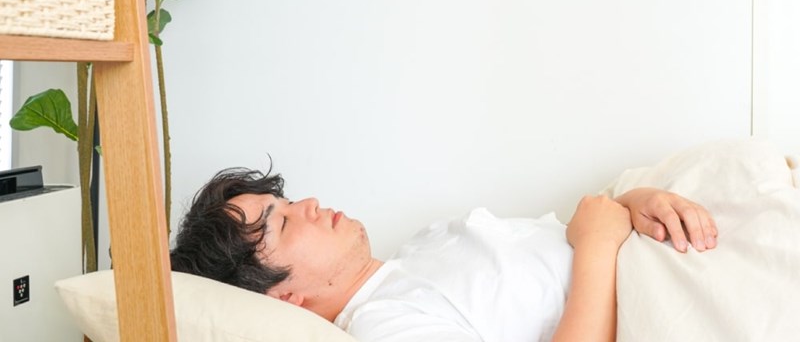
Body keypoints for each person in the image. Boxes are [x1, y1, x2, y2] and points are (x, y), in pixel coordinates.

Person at [170, 167, 717, 342]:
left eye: (288, 201)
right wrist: (599, 241)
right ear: (284, 297)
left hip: (677, 250)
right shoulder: (385, 326)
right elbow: (591, 241)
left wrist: (633, 203)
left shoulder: (424, 245)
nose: (309, 204)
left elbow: (575, 238)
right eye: (284, 221)